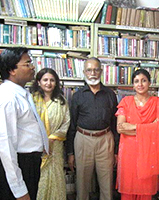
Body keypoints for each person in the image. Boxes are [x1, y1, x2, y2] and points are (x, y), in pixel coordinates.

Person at [0, 47, 49, 200]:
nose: (32, 67)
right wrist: (19, 190)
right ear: (12, 70)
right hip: (19, 164)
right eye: (27, 63)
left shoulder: (21, 92)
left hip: (29, 163)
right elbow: (6, 147)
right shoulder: (6, 98)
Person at [66, 57, 119, 200]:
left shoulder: (110, 95)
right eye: (89, 70)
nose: (93, 73)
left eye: (96, 69)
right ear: (84, 72)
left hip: (105, 141)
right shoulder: (77, 96)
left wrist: (116, 151)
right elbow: (72, 125)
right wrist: (70, 152)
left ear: (101, 71)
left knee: (106, 183)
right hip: (83, 140)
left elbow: (115, 123)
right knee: (82, 184)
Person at [115, 69, 159, 200]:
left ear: (149, 83)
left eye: (144, 80)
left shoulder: (157, 102)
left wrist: (133, 126)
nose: (140, 84)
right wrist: (150, 127)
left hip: (149, 154)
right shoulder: (126, 102)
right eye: (136, 81)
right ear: (133, 85)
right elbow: (120, 128)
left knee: (146, 191)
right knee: (128, 189)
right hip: (128, 153)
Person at [31, 68, 70, 200]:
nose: (48, 83)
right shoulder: (32, 100)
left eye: (52, 80)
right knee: (39, 180)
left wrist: (52, 139)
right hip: (36, 146)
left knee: (56, 178)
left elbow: (66, 123)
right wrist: (41, 140)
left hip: (55, 147)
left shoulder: (61, 101)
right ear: (39, 82)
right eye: (45, 80)